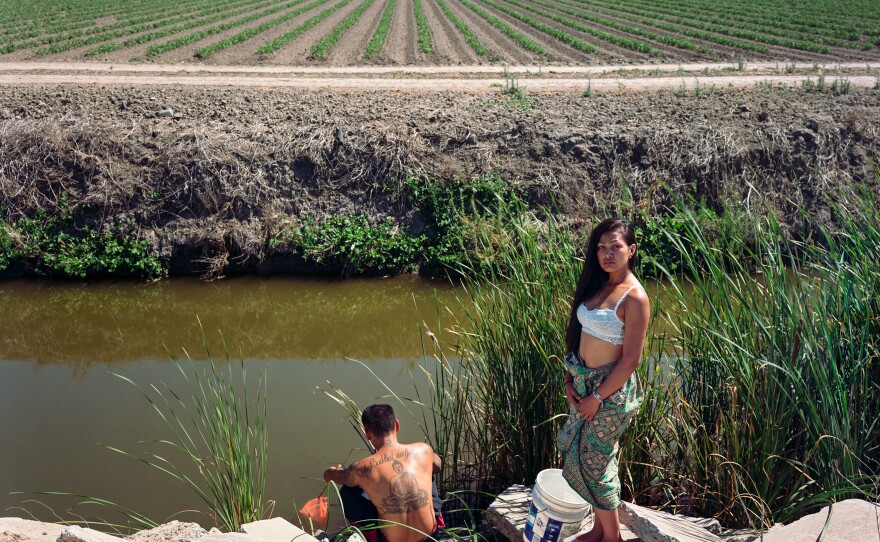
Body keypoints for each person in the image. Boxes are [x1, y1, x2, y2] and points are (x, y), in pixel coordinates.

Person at [556, 218, 650, 542]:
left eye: (615, 246)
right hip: (584, 382)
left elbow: (631, 360)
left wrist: (597, 396)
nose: (607, 253)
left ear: (631, 249)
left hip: (611, 391)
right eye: (601, 247)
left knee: (596, 460)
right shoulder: (597, 284)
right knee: (582, 453)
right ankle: (598, 528)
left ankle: (613, 537)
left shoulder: (635, 297)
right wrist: (571, 378)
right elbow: (581, 336)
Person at [323, 404, 445, 542]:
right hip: (431, 537)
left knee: (347, 492)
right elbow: (438, 466)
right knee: (429, 474)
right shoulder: (424, 450)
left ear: (368, 433)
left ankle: (369, 536)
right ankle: (435, 521)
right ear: (397, 425)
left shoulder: (361, 468)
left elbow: (335, 477)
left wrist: (330, 472)